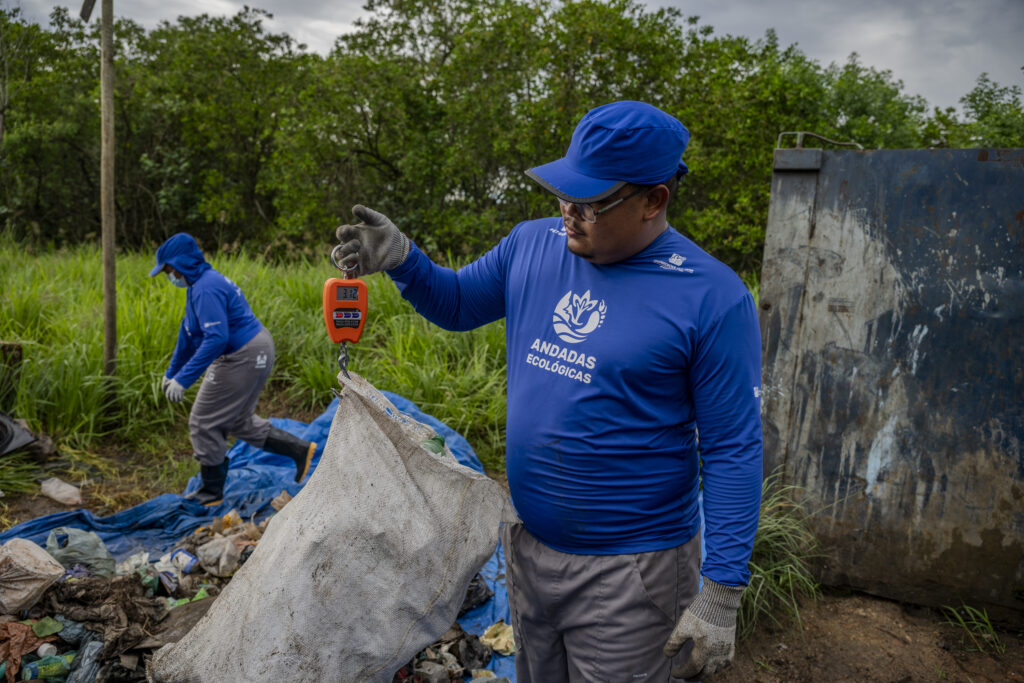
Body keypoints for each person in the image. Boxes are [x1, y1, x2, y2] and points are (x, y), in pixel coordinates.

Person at [334, 101, 763, 681]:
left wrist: (723, 589)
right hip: (530, 550)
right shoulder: (531, 244)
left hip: (632, 573)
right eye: (563, 195)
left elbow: (733, 447)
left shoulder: (711, 297)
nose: (568, 213)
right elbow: (457, 304)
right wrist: (406, 261)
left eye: (589, 202)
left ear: (653, 200)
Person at [150, 233, 316, 506]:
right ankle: (300, 450)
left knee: (203, 421)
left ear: (181, 264)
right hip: (253, 349)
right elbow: (188, 334)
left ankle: (211, 492)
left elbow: (216, 338)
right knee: (238, 420)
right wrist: (172, 373)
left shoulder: (206, 288)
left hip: (243, 354)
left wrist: (185, 380)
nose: (170, 276)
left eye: (169, 270)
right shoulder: (198, 286)